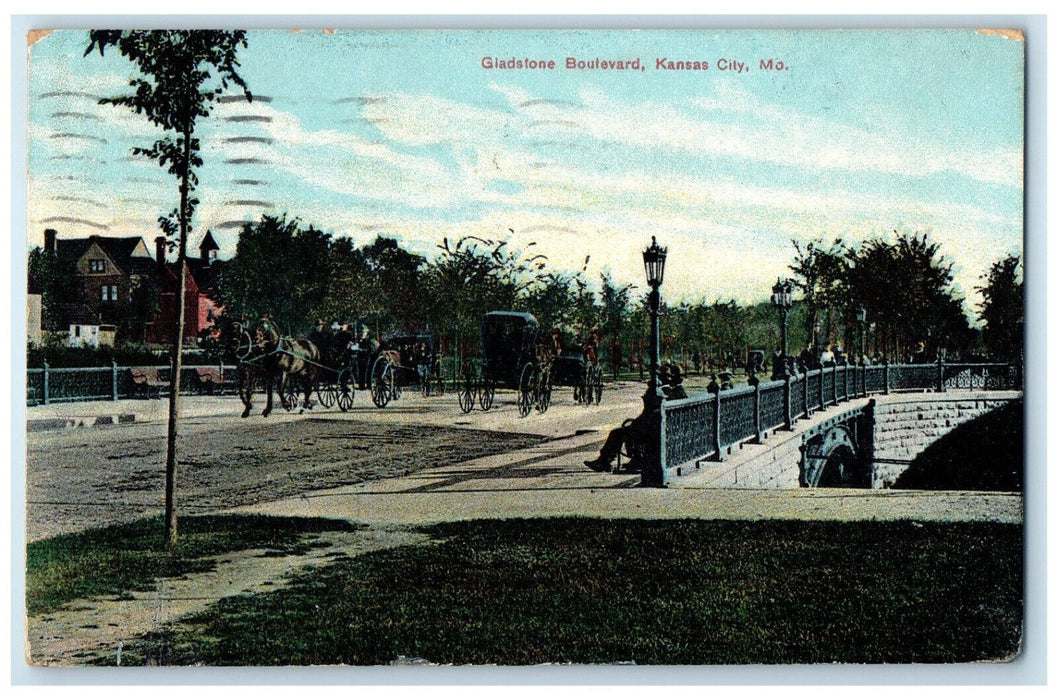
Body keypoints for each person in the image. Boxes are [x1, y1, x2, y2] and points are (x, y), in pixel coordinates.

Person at [584, 363, 687, 473]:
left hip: (655, 432)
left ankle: (608, 461)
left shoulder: (663, 392)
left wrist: (635, 424)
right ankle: (625, 460)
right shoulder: (678, 391)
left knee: (619, 433)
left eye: (661, 376)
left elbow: (649, 417)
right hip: (666, 430)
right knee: (626, 431)